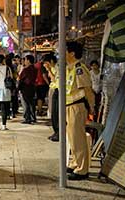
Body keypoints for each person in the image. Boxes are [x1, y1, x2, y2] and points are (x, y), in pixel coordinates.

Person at [65, 41, 95, 180]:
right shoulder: (70, 68)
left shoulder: (79, 68)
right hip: (69, 106)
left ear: (72, 53)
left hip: (77, 107)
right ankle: (75, 163)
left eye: (65, 51)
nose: (62, 54)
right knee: (72, 138)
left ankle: (82, 169)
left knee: (78, 138)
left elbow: (87, 89)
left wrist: (92, 108)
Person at [43, 53, 59, 141]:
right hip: (54, 90)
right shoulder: (53, 68)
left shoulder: (57, 68)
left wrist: (49, 69)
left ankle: (58, 133)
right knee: (53, 113)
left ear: (51, 61)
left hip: (58, 90)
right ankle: (55, 132)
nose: (45, 65)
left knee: (56, 113)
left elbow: (54, 79)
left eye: (46, 63)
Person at [19, 55, 37, 124]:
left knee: (26, 104)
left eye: (25, 60)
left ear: (29, 61)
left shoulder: (26, 70)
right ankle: (33, 118)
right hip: (32, 87)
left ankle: (28, 118)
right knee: (31, 103)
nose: (24, 61)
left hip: (25, 88)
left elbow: (20, 78)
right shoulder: (35, 69)